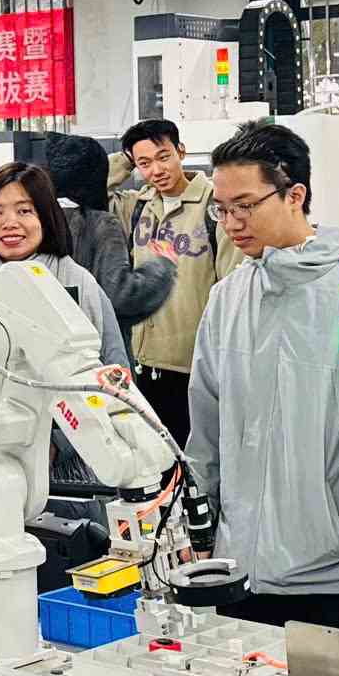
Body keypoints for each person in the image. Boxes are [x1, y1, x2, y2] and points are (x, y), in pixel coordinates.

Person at [185, 122, 339, 650]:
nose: (231, 223)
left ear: (294, 195)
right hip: (241, 566)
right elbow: (205, 430)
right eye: (221, 209)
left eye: (245, 206)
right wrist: (199, 526)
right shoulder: (228, 299)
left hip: (336, 574)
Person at [0, 162, 137, 494]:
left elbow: (114, 379)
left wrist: (60, 445)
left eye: (24, 211)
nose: (9, 223)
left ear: (45, 217)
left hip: (62, 465)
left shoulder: (78, 283)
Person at [112, 117, 224, 450]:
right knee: (154, 464)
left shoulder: (214, 204)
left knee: (195, 465)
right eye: (144, 163)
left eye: (164, 157)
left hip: (195, 368)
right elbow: (88, 186)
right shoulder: (138, 205)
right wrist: (126, 159)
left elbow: (231, 285)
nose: (156, 170)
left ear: (181, 152)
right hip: (143, 366)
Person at [39, 132, 176, 336]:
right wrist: (163, 266)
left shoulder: (34, 219)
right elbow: (122, 297)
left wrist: (128, 159)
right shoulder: (100, 223)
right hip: (96, 342)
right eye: (144, 162)